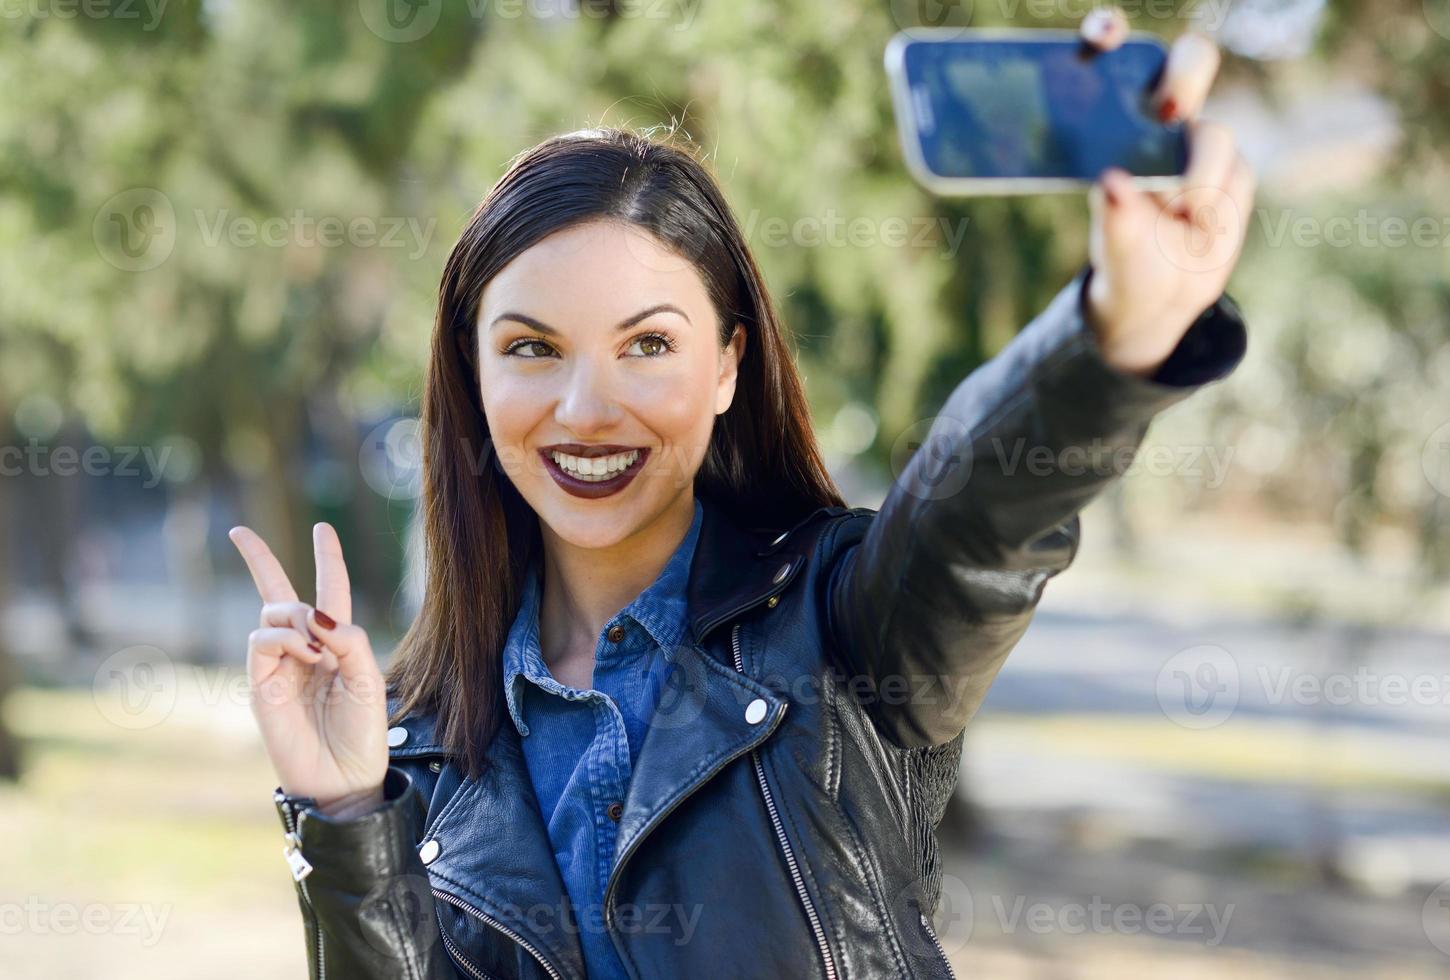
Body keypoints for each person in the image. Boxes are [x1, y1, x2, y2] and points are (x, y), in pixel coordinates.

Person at [228, 11, 1253, 978]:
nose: (586, 407)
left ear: (726, 366)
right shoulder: (419, 733)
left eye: (648, 344)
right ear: (473, 373)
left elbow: (980, 516)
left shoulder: (845, 625)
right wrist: (349, 806)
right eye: (532, 347)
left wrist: (1111, 334)